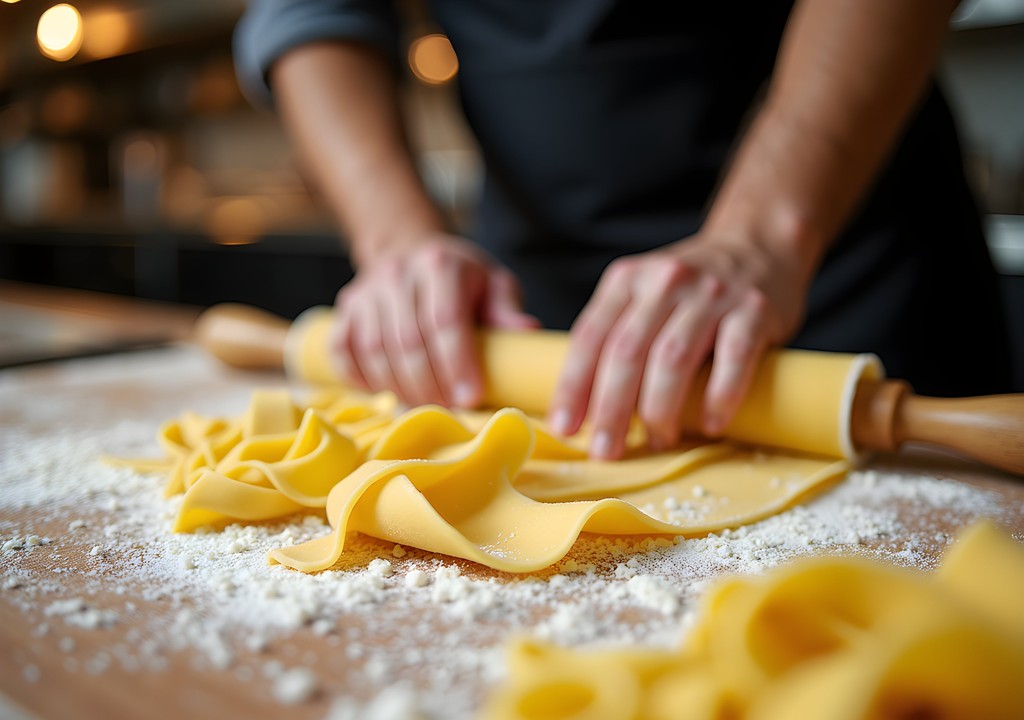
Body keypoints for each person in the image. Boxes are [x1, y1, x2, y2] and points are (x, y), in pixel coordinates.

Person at [234, 0, 1012, 460]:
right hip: (529, 325)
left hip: (849, 264)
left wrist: (765, 234)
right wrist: (396, 242)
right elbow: (312, 9)